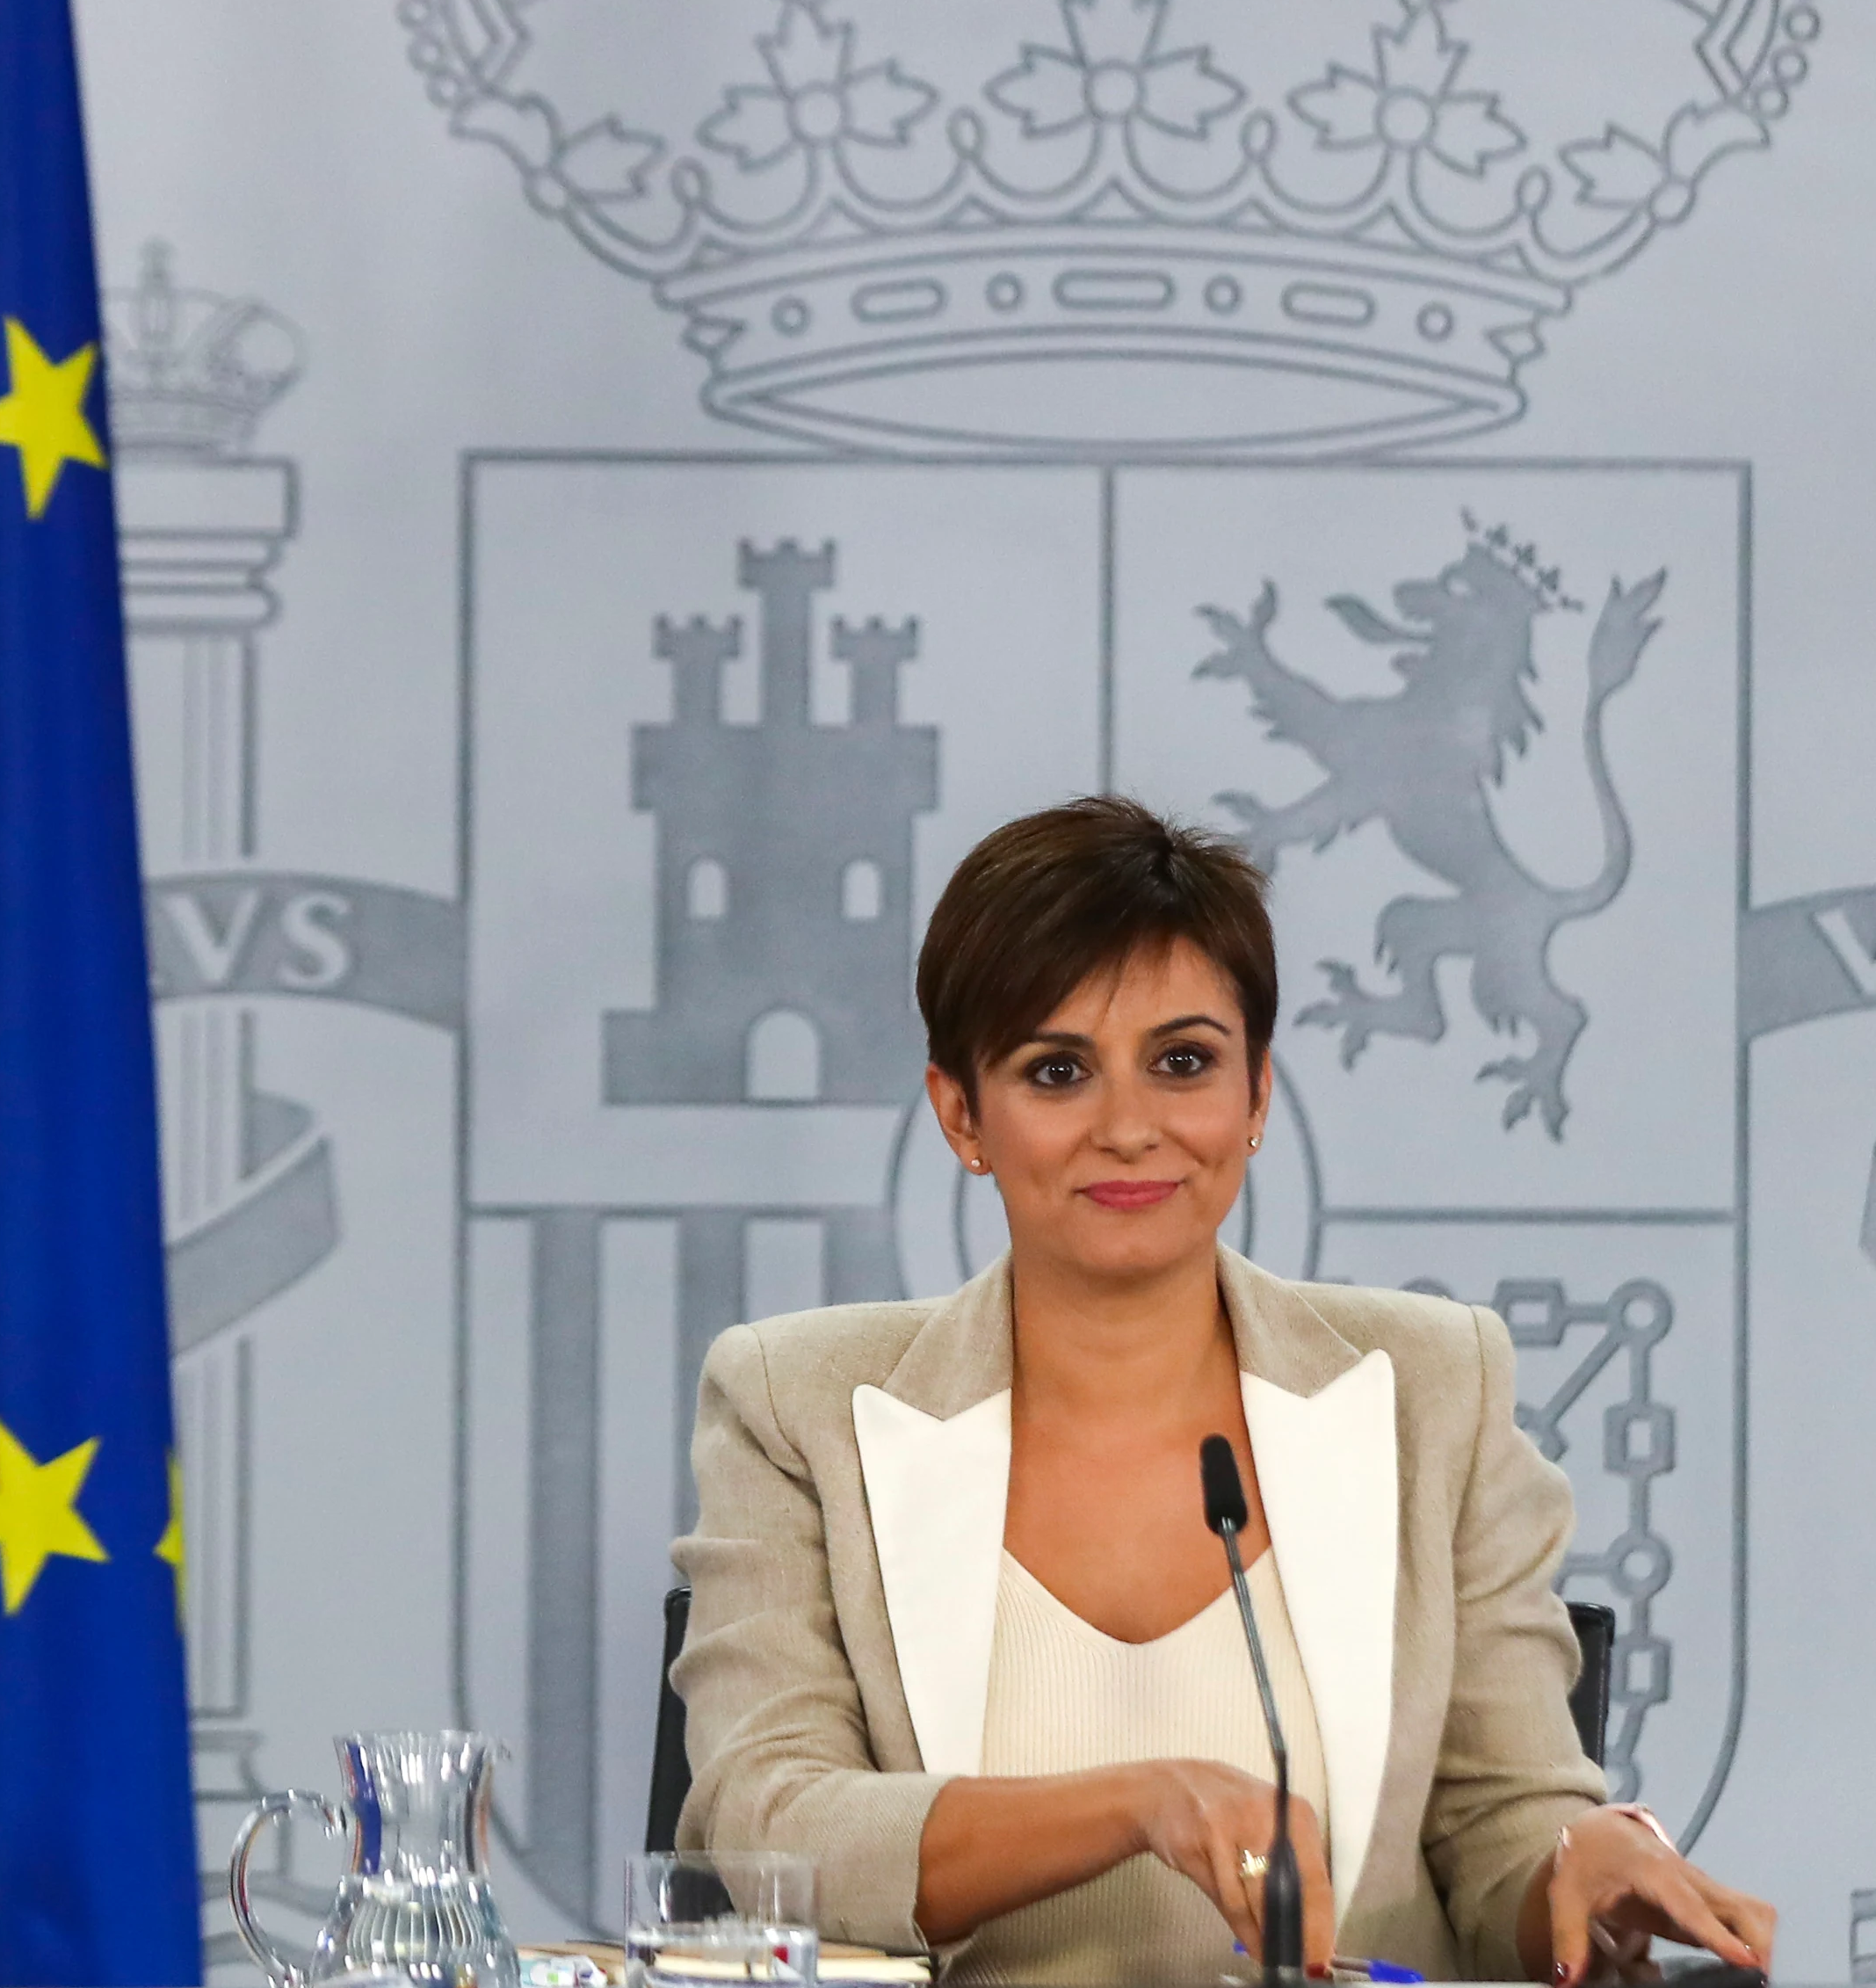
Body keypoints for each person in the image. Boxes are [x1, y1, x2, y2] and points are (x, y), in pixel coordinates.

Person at [673, 796, 1779, 1984]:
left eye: (1183, 1063)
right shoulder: (799, 1403)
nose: (1130, 1128)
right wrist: (1141, 1804)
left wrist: (1583, 1871)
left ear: (1254, 1099)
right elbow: (765, 1823)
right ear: (963, 1116)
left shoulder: (1430, 1388)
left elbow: (1501, 1829)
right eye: (1057, 1072)